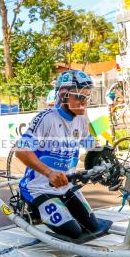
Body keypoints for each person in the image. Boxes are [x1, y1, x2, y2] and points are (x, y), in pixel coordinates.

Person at [14, 70, 112, 241]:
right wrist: (49, 173)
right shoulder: (46, 118)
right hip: (39, 188)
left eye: (87, 97)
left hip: (66, 185)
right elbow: (20, 150)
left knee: (93, 225)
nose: (84, 102)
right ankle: (33, 208)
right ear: (63, 95)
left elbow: (87, 141)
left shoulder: (81, 118)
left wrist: (105, 153)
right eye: (79, 97)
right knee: (73, 231)